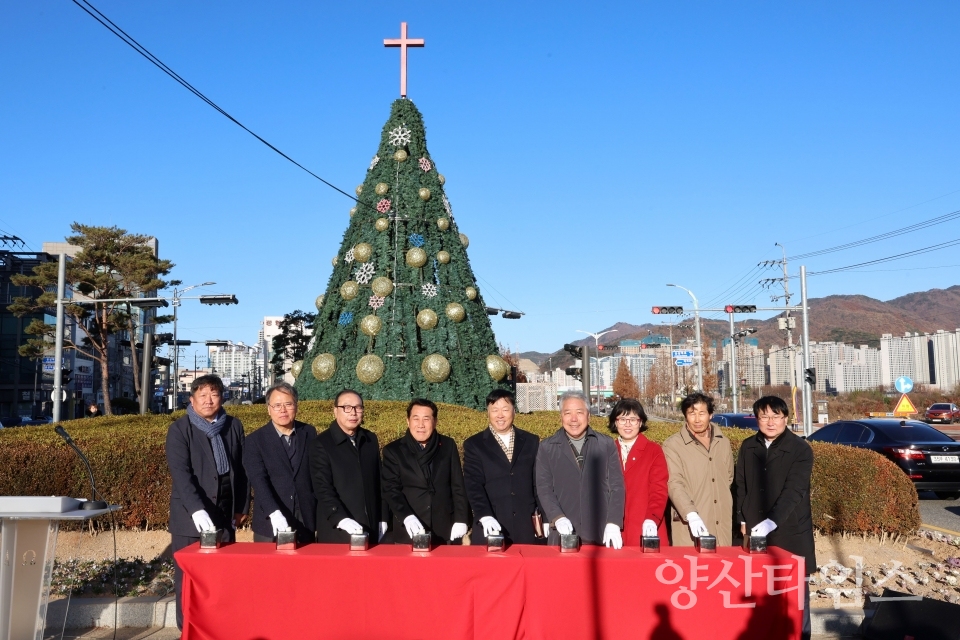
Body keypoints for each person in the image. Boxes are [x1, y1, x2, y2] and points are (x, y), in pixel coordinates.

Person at [165, 374, 248, 631]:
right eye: (202, 395)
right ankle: (187, 630)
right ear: (192, 399)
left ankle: (218, 629)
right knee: (189, 580)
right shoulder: (180, 429)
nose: (208, 400)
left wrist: (242, 507)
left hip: (224, 512)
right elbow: (181, 475)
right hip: (190, 518)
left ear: (222, 397)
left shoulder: (233, 426)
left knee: (220, 578)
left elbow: (242, 470)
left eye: (213, 394)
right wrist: (197, 510)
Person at [736, 396, 815, 637]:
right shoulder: (748, 446)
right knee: (759, 590)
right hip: (754, 532)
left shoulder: (800, 449)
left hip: (789, 530)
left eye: (776, 416)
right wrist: (741, 517)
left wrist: (771, 522)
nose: (770, 422)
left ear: (786, 418)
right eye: (764, 417)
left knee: (794, 594)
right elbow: (740, 485)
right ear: (756, 419)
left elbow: (795, 491)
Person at [535, 391, 625, 548]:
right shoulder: (547, 447)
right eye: (567, 413)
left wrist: (613, 522)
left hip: (600, 532)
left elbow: (617, 487)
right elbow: (544, 488)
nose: (574, 419)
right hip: (563, 533)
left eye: (579, 412)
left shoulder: (605, 444)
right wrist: (557, 517)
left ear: (588, 416)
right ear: (561, 417)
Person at [381, 398, 469, 545]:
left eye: (426, 419)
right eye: (416, 418)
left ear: (435, 422)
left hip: (444, 528)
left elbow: (457, 485)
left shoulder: (447, 445)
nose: (421, 425)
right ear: (408, 421)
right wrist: (406, 516)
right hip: (408, 528)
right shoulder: (393, 451)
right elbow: (391, 490)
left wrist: (461, 519)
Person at [463, 389, 542, 545]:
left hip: (526, 526)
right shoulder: (475, 444)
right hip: (491, 524)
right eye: (495, 410)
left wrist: (544, 516)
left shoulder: (531, 441)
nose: (500, 415)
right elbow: (473, 485)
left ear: (514, 411)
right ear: (488, 412)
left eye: (505, 409)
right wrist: (484, 515)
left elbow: (538, 482)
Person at [309, 389, 388, 543]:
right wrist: (340, 519)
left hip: (370, 527)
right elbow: (322, 488)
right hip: (338, 529)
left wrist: (383, 517)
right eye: (346, 407)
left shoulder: (370, 439)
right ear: (335, 411)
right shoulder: (322, 444)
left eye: (358, 408)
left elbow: (380, 482)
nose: (353, 413)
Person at [243, 382, 317, 544]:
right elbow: (258, 480)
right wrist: (273, 512)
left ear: (296, 406)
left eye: (288, 404)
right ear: (269, 409)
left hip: (305, 518)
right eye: (277, 405)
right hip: (270, 521)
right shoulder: (255, 441)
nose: (283, 410)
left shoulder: (309, 432)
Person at [662, 392, 734, 546]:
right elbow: (674, 483)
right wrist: (690, 513)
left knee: (723, 567)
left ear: (711, 415)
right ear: (685, 416)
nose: (697, 419)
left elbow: (728, 477)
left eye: (702, 413)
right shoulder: (673, 445)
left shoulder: (723, 442)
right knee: (692, 567)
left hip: (721, 520)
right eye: (691, 414)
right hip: (691, 521)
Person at [608, 398, 669, 547]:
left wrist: (652, 518)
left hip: (646, 527)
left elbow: (659, 490)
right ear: (615, 422)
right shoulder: (607, 450)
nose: (627, 424)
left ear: (640, 422)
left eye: (633, 419)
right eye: (622, 419)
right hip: (615, 530)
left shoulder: (653, 451)